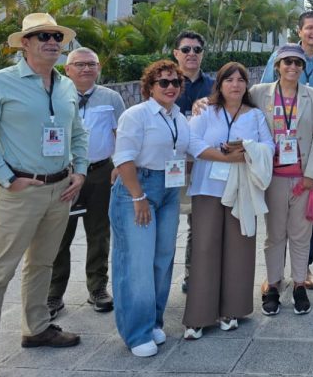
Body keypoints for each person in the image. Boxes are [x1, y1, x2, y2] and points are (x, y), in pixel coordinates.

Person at [0, 13, 88, 377]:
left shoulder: (65, 86)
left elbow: (77, 133)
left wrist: (80, 171)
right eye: (42, 36)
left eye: (56, 36)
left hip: (60, 190)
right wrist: (7, 178)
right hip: (19, 193)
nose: (51, 42)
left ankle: (37, 328)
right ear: (25, 44)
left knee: (43, 264)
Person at [183, 62, 275, 339]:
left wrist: (247, 150)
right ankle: (199, 316)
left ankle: (232, 310)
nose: (235, 85)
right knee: (204, 249)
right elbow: (191, 142)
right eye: (229, 80)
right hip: (208, 188)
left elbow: (268, 146)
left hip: (241, 189)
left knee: (239, 249)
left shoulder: (255, 115)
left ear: (247, 85)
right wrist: (224, 157)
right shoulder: (205, 111)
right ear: (220, 84)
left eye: (240, 80)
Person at [110, 60, 191, 357]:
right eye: (163, 82)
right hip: (138, 188)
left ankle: (154, 320)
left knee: (162, 258)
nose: (170, 87)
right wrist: (137, 196)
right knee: (137, 262)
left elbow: (190, 149)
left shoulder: (178, 116)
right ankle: (137, 332)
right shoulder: (136, 115)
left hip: (169, 189)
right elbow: (123, 157)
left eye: (175, 82)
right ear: (149, 87)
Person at [261, 11, 313, 290]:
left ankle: (304, 266)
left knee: (309, 213)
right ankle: (274, 272)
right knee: (276, 219)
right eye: (309, 28)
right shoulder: (280, 56)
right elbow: (259, 95)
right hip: (279, 152)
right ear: (299, 31)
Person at [48, 48, 126, 319]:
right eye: (79, 64)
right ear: (67, 69)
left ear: (98, 68)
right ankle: (53, 293)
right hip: (64, 175)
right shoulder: (55, 96)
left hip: (100, 172)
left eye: (91, 64)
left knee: (99, 233)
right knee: (59, 235)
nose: (86, 69)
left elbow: (122, 134)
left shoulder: (111, 97)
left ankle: (98, 288)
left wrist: (120, 167)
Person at [251, 44, 313, 316]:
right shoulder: (259, 93)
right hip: (272, 178)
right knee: (274, 235)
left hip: (302, 179)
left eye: (298, 63)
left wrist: (311, 175)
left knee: (300, 235)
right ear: (277, 66)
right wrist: (202, 103)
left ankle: (299, 285)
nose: (292, 67)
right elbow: (231, 101)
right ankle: (273, 284)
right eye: (287, 62)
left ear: (303, 67)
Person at [173, 30, 214, 294]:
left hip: (203, 164)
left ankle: (193, 273)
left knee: (198, 224)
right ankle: (160, 276)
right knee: (166, 223)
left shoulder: (214, 86)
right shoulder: (165, 82)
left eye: (197, 50)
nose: (191, 54)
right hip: (170, 166)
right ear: (176, 53)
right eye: (186, 49)